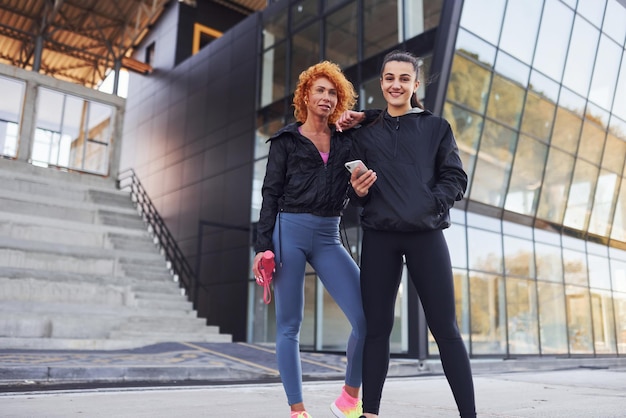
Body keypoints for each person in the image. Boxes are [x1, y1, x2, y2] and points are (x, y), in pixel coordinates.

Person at [336, 50, 476, 417]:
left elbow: (456, 178)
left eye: (403, 78)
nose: (395, 85)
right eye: (388, 78)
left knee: (445, 329)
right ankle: (370, 413)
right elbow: (350, 190)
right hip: (380, 236)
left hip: (426, 235)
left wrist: (429, 204)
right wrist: (359, 190)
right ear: (381, 83)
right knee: (377, 329)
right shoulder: (364, 133)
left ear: (415, 84)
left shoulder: (436, 128)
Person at [252, 61, 366, 418]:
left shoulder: (348, 142)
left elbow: (388, 125)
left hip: (329, 234)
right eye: (320, 90)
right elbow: (269, 195)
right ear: (305, 95)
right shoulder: (286, 141)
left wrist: (362, 117)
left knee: (368, 318)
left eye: (333, 92)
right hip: (289, 231)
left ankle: (349, 397)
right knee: (290, 324)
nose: (327, 97)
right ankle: (298, 410)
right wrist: (262, 247)